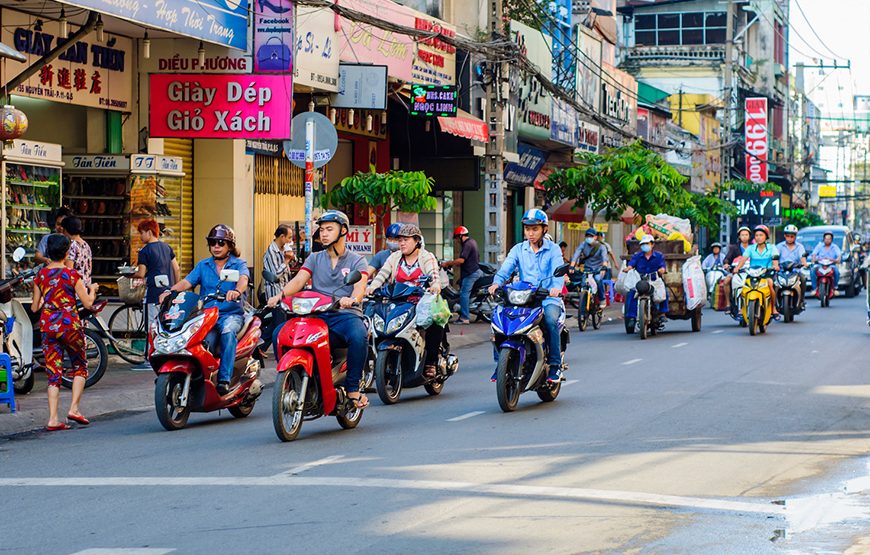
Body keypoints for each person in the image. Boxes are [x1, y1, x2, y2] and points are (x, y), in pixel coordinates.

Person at [269, 210, 370, 408]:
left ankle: (353, 389)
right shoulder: (314, 258)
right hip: (316, 315)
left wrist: (353, 298)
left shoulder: (357, 260)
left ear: (343, 231)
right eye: (322, 230)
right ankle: (292, 379)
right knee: (277, 334)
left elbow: (361, 285)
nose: (323, 234)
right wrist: (280, 295)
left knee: (359, 335)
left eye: (329, 229)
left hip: (344, 315)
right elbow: (299, 280)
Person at [159, 224, 250, 395]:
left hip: (229, 314)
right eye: (213, 242)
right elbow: (187, 282)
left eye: (221, 243)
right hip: (207, 316)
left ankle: (224, 379)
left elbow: (243, 279)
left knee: (228, 333)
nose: (216, 246)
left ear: (230, 246)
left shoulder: (238, 264)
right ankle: (200, 377)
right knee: (199, 341)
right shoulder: (203, 265)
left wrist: (236, 291)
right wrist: (170, 292)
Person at [488, 209, 565, 383]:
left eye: (535, 229)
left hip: (547, 298)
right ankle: (500, 364)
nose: (530, 233)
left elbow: (558, 273)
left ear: (544, 229)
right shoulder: (518, 249)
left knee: (551, 320)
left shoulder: (553, 250)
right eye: (527, 229)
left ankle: (555, 366)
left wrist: (555, 288)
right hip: (523, 298)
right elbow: (506, 269)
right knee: (498, 321)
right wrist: (496, 283)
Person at [31, 233, 99, 431]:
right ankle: (74, 409)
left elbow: (35, 308)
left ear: (48, 252)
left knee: (53, 372)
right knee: (80, 366)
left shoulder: (40, 276)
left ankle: (53, 418)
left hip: (48, 326)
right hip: (70, 326)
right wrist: (92, 290)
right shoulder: (72, 275)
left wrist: (46, 300)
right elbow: (87, 303)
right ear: (67, 252)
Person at [366, 224, 444, 379]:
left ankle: (431, 362)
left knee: (434, 324)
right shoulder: (394, 257)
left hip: (421, 303)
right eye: (400, 240)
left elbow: (434, 274)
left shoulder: (426, 256)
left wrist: (435, 285)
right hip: (398, 302)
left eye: (406, 240)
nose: (401, 243)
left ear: (417, 241)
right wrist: (371, 287)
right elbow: (382, 275)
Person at [133, 219, 180, 328]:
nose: (140, 237)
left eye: (142, 233)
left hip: (153, 295)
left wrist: (128, 274)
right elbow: (176, 269)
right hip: (168, 295)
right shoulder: (167, 248)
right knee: (166, 326)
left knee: (152, 327)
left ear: (149, 232)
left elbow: (141, 273)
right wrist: (175, 288)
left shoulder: (145, 251)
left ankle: (152, 346)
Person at [733, 225, 780, 318]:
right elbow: (743, 259)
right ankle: (742, 308)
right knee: (743, 286)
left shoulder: (772, 247)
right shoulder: (750, 248)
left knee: (770, 284)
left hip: (766, 273)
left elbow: (775, 259)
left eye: (761, 235)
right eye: (757, 235)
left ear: (766, 236)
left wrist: (775, 266)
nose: (758, 237)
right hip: (752, 273)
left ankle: (773, 308)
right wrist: (737, 267)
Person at [623, 234, 668, 326]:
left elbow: (662, 266)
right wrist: (628, 268)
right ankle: (632, 317)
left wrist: (662, 270)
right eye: (643, 244)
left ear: (652, 244)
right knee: (632, 293)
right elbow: (631, 264)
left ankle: (663, 313)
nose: (645, 246)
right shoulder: (637, 256)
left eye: (647, 243)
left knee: (664, 291)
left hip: (654, 280)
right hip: (640, 281)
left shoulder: (658, 256)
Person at [441, 226, 481, 325]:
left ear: (460, 236)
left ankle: (464, 318)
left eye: (457, 238)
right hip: (473, 271)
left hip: (471, 273)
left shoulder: (467, 244)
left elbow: (461, 260)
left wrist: (448, 263)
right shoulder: (472, 242)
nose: (457, 241)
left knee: (463, 294)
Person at [722, 226, 752, 317]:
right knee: (726, 281)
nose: (744, 237)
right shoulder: (734, 248)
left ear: (749, 236)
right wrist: (726, 264)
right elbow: (727, 259)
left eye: (746, 235)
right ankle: (728, 304)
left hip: (750, 272)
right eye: (742, 235)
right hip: (736, 272)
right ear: (739, 236)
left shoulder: (753, 248)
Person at [570, 228, 607, 303]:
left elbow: (604, 259)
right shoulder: (583, 245)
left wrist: (604, 267)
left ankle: (602, 299)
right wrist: (572, 266)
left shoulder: (601, 247)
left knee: (598, 280)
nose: (589, 238)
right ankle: (584, 303)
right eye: (587, 236)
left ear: (595, 237)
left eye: (591, 236)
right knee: (583, 284)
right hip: (587, 269)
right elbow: (576, 255)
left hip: (598, 270)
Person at [775, 224, 808, 307]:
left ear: (795, 236)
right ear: (784, 236)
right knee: (773, 282)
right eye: (787, 236)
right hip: (781, 271)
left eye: (792, 236)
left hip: (795, 271)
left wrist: (804, 264)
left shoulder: (800, 247)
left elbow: (802, 257)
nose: (789, 238)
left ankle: (801, 300)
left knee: (803, 279)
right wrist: (776, 266)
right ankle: (774, 303)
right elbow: (775, 257)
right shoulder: (779, 246)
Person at [60, 216, 92, 287]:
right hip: (85, 287)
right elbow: (89, 268)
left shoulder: (71, 246)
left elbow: (69, 270)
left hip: (75, 289)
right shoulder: (86, 245)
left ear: (66, 230)